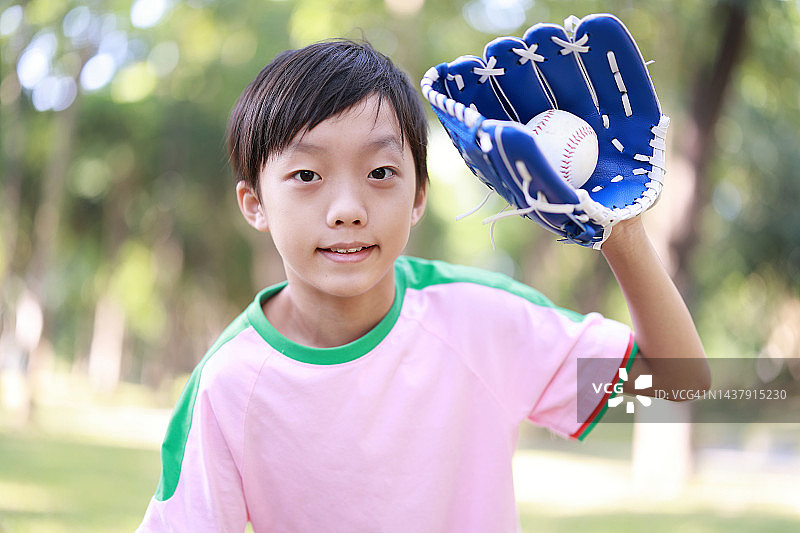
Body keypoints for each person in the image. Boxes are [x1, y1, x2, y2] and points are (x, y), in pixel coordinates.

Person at [137, 38, 709, 532]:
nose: (347, 209)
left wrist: (619, 230)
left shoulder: (483, 323)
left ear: (418, 197)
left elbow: (678, 383)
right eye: (306, 175)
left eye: (380, 172)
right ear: (255, 204)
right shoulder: (229, 386)